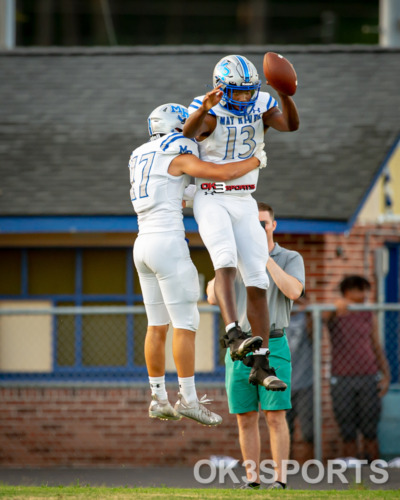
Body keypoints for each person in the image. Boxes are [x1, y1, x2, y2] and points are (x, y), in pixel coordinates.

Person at [130, 102, 267, 426]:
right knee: (186, 323)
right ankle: (188, 399)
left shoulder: (140, 155)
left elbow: (175, 188)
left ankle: (158, 397)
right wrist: (256, 158)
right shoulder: (177, 153)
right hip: (168, 244)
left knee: (156, 325)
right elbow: (222, 173)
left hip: (142, 244)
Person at [183, 54, 299, 390]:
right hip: (212, 196)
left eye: (250, 92)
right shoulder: (209, 109)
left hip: (244, 198)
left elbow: (290, 125)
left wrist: (286, 94)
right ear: (222, 88)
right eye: (239, 92)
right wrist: (204, 109)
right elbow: (191, 132)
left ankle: (261, 362)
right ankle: (233, 332)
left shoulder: (263, 101)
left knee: (258, 281)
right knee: (223, 262)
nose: (246, 98)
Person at [207, 202, 305, 489]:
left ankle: (280, 481)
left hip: (274, 342)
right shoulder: (233, 258)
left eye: (264, 224)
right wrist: (230, 259)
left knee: (275, 415)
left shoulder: (289, 256)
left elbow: (294, 291)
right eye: (254, 224)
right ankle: (252, 481)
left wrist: (263, 259)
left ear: (273, 225)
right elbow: (212, 296)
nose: (260, 229)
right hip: (240, 348)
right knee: (245, 417)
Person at [325, 275, 391, 462]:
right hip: (342, 377)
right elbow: (320, 318)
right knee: (347, 429)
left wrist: (386, 375)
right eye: (360, 290)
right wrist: (335, 306)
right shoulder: (335, 311)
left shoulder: (367, 313)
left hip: (368, 376)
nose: (364, 295)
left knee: (370, 429)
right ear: (348, 292)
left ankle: (374, 470)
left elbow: (376, 346)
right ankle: (352, 470)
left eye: (365, 290)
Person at [286, 295, 314, 461]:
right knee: (283, 429)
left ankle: (309, 468)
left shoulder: (307, 318)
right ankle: (284, 467)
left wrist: (308, 308)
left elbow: (313, 334)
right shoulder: (276, 319)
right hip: (280, 384)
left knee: (308, 431)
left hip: (305, 383)